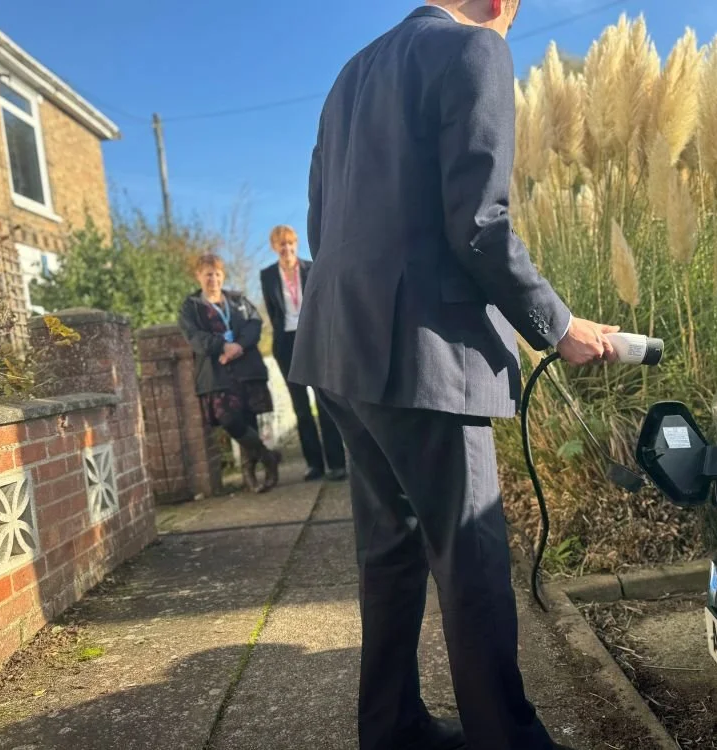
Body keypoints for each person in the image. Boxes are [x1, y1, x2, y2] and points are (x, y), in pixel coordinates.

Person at [290, 2, 620, 749]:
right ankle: (506, 739)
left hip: (339, 342)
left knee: (389, 552)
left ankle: (393, 728)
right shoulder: (474, 49)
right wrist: (560, 327)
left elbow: (320, 221)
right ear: (502, 6)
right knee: (469, 558)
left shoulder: (349, 75)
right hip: (425, 355)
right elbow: (480, 223)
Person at [179, 253, 281, 493]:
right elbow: (194, 337)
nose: (212, 279)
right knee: (229, 420)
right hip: (216, 374)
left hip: (246, 368)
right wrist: (222, 346)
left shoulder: (239, 300)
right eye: (207, 274)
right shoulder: (190, 307)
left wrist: (238, 346)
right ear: (198, 276)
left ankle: (251, 475)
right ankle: (268, 458)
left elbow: (254, 324)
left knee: (249, 420)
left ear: (222, 276)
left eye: (216, 274)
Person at [260, 225, 347, 482]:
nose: (286, 249)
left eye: (290, 244)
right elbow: (274, 313)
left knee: (325, 401)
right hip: (286, 343)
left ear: (295, 245)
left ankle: (337, 462)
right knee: (300, 406)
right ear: (275, 248)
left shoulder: (311, 268)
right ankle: (314, 464)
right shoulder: (267, 276)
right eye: (281, 245)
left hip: (314, 338)